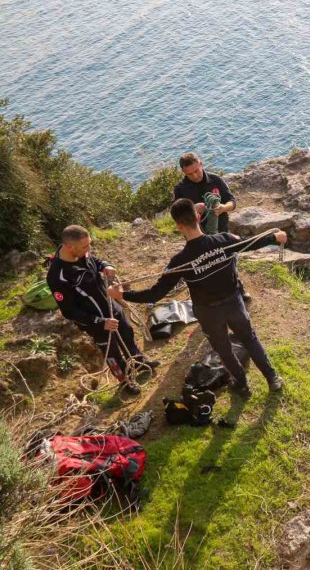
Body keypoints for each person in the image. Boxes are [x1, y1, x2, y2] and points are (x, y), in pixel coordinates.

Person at [108, 198, 287, 398]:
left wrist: (121, 295)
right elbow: (250, 244)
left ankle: (242, 385)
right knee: (249, 339)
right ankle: (273, 379)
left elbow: (155, 294)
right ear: (199, 217)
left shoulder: (179, 261)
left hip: (208, 312)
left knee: (223, 349)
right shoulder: (224, 240)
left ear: (178, 226)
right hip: (234, 303)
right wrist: (275, 237)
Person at [46, 225, 157, 395]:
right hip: (96, 322)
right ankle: (125, 380)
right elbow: (69, 311)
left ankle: (138, 362)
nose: (88, 249)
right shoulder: (58, 276)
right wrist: (100, 322)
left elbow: (95, 261)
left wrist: (106, 265)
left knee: (127, 333)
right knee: (111, 351)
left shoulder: (81, 252)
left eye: (89, 244)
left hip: (112, 307)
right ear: (69, 247)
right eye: (85, 246)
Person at [173, 151, 251, 301]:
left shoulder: (216, 180)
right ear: (183, 172)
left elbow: (232, 201)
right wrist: (193, 209)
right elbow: (177, 214)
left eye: (196, 170)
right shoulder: (180, 189)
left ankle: (238, 289)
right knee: (204, 266)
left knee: (229, 259)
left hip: (221, 229)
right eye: (190, 174)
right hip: (197, 235)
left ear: (201, 164)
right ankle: (209, 295)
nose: (195, 175)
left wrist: (223, 208)